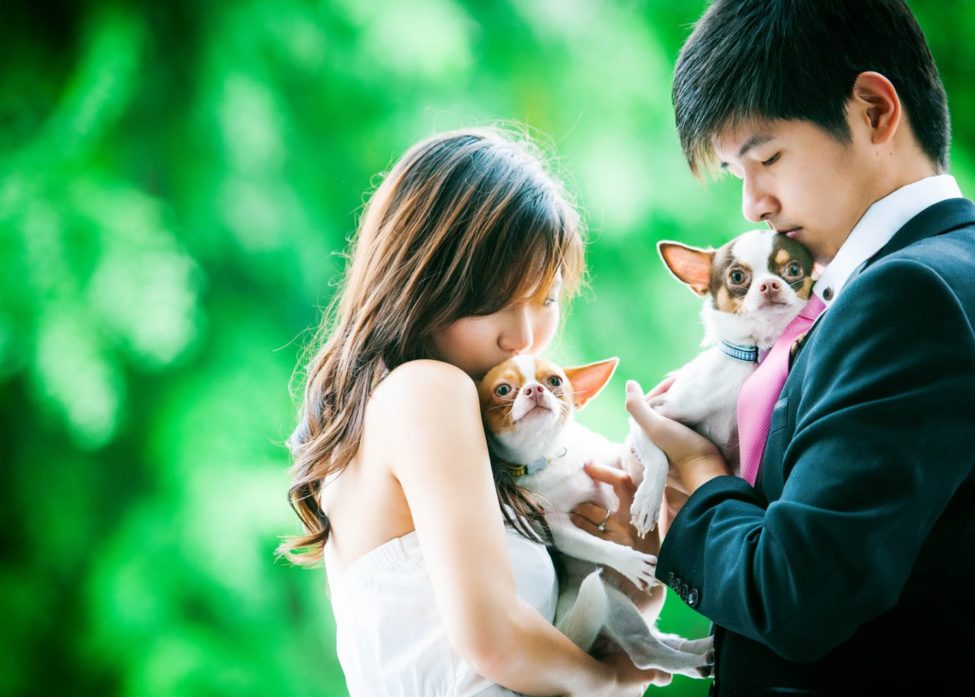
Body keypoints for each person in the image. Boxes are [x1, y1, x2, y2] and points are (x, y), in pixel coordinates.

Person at [622, 1, 975, 694]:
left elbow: (792, 594)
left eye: (767, 158)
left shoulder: (906, 296)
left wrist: (699, 476)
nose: (753, 204)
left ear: (873, 110)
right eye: (735, 174)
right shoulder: (938, 272)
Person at [277, 127, 669, 696]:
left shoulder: (403, 417)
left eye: (546, 299)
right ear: (422, 284)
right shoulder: (428, 391)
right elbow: (494, 640)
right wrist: (611, 683)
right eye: (497, 303)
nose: (526, 337)